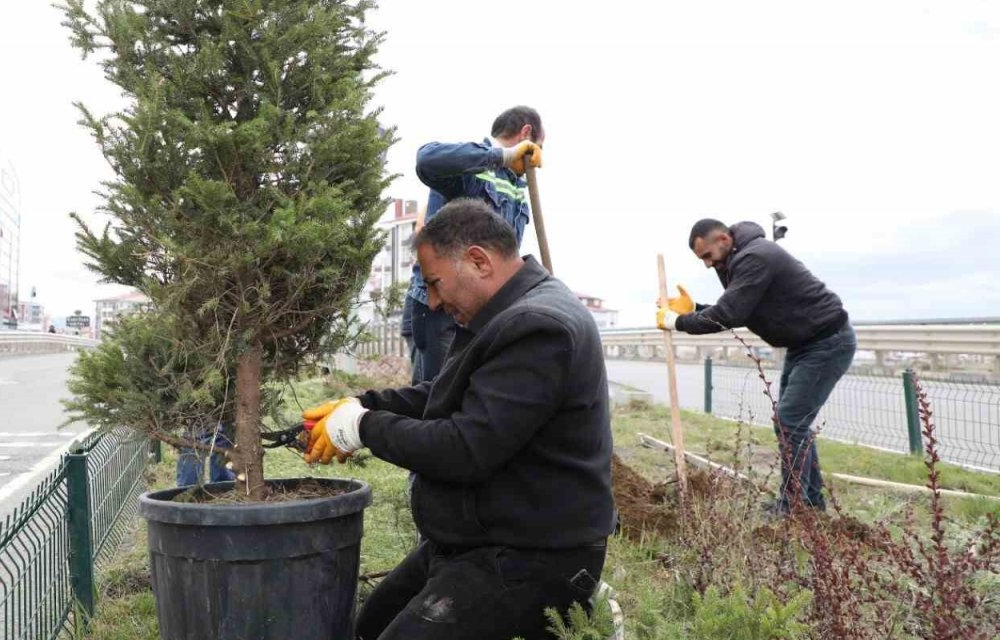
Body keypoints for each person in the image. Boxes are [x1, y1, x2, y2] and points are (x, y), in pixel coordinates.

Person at [304, 199, 615, 640]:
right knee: (367, 627)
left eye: (434, 283)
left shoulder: (538, 327)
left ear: (478, 261)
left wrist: (361, 428)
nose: (431, 302)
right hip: (475, 540)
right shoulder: (502, 313)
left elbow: (465, 449)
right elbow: (446, 394)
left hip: (532, 555)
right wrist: (364, 403)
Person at [657, 219, 855, 514]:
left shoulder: (756, 257)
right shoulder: (735, 260)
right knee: (790, 423)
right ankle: (809, 502)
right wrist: (694, 309)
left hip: (827, 343)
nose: (707, 265)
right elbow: (741, 305)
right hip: (805, 345)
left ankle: (795, 506)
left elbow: (730, 314)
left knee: (790, 421)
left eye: (707, 256)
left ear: (724, 239)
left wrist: (679, 322)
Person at [403, 106, 544, 384]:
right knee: (434, 396)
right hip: (443, 307)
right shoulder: (473, 165)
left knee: (463, 395)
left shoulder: (517, 186)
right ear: (526, 134)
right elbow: (426, 158)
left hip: (483, 312)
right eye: (538, 147)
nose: (538, 159)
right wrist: (503, 157)